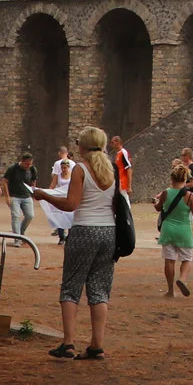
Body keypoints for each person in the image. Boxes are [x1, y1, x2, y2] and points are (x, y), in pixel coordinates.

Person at [37, 126, 124, 359]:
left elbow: (71, 204)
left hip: (84, 230)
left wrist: (44, 194)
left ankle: (68, 343)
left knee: (71, 286)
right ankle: (97, 344)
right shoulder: (112, 170)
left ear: (83, 146)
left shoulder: (80, 170)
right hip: (108, 232)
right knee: (99, 289)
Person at [155, 163, 193, 297]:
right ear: (185, 179)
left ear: (172, 178)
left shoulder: (165, 193)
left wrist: (155, 202)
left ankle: (170, 290)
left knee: (169, 260)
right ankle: (182, 279)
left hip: (168, 229)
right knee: (187, 258)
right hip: (184, 230)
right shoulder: (189, 196)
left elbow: (158, 208)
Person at [5, 152, 37, 241]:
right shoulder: (13, 168)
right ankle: (17, 238)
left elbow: (33, 181)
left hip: (26, 195)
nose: (28, 166)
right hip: (14, 195)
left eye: (30, 164)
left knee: (30, 215)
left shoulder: (32, 169)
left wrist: (33, 194)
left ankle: (21, 232)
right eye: (27, 164)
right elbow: (5, 182)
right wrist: (7, 196)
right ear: (22, 161)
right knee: (16, 216)